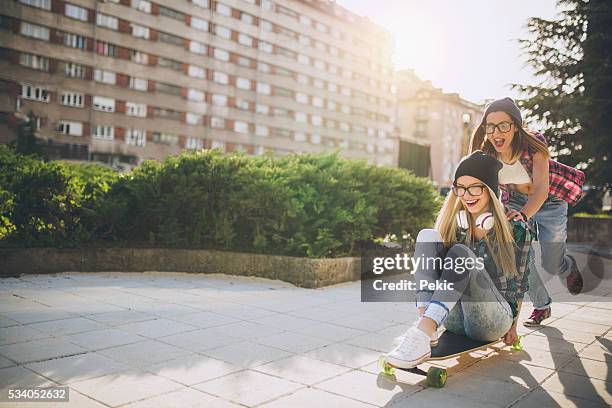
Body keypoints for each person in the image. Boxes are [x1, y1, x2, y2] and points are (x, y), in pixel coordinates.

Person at [385, 151, 532, 368]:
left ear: (491, 190)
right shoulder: (456, 224)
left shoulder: (515, 228)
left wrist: (513, 326)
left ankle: (422, 331)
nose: (466, 194)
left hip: (493, 319)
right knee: (427, 235)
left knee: (461, 253)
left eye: (475, 187)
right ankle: (426, 329)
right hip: (453, 319)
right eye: (460, 188)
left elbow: (520, 283)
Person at [469, 97, 585, 327]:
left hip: (550, 202)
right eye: (490, 126)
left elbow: (541, 189)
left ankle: (566, 266)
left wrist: (523, 214)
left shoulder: (533, 143)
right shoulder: (488, 153)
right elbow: (485, 189)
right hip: (516, 200)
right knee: (519, 256)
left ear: (515, 126)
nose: (496, 132)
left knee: (551, 263)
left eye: (503, 125)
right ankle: (541, 306)